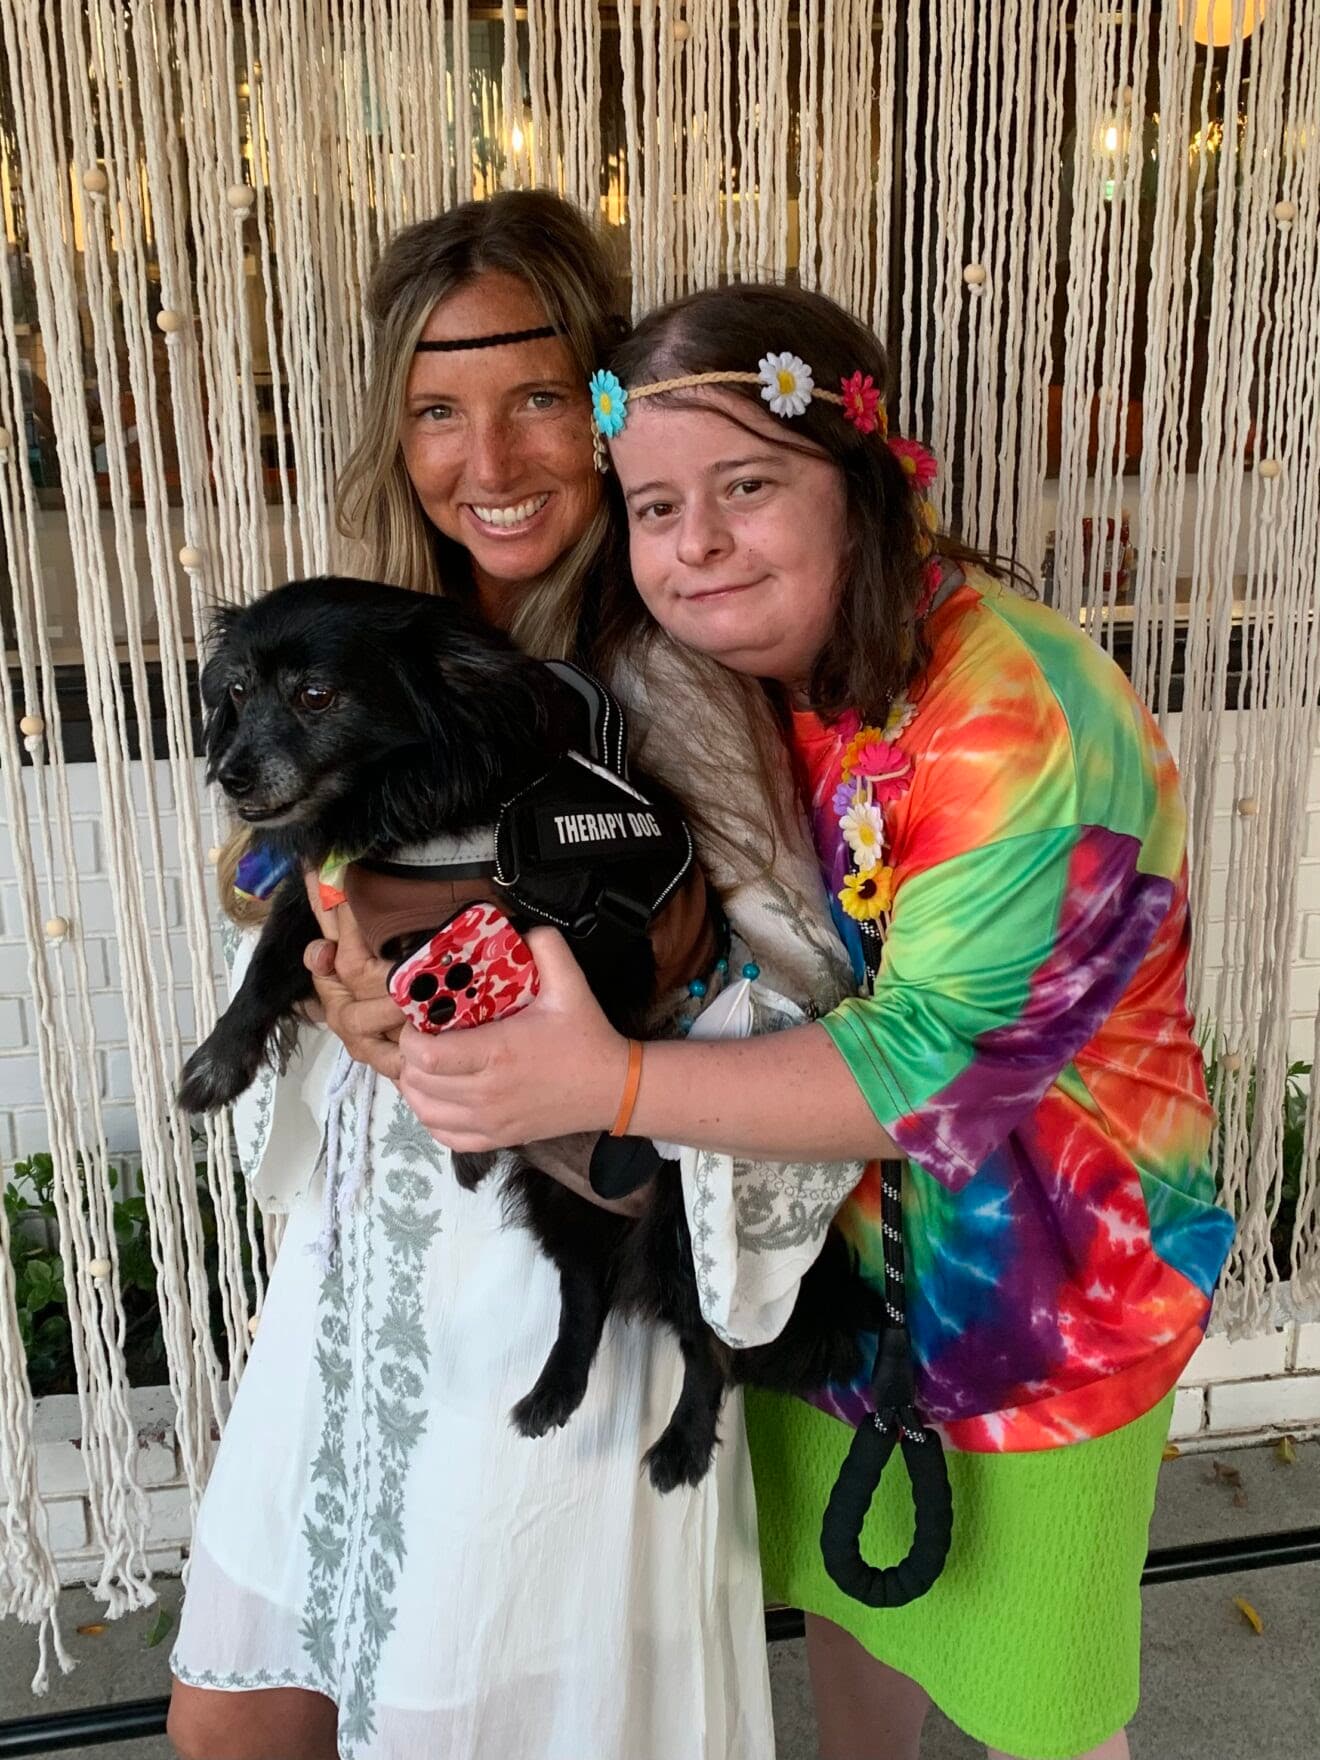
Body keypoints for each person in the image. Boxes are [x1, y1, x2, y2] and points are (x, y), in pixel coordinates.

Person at [396, 281, 1237, 1760]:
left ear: (863, 484)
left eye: (748, 487)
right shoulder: (745, 684)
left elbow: (923, 1068)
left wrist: (602, 1079)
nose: (697, 543)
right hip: (827, 1274)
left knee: (1046, 1717)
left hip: (1046, 1307)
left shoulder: (1014, 710)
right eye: (655, 508)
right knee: (862, 1665)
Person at [168, 199, 859, 1760]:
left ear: (607, 408)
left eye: (537, 397)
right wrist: (328, 969)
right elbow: (274, 860)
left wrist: (619, 1038)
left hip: (560, 1278)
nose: (488, 461)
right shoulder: (372, 633)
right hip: (361, 1261)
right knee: (237, 1716)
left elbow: (815, 982)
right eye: (435, 409)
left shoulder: (665, 672)